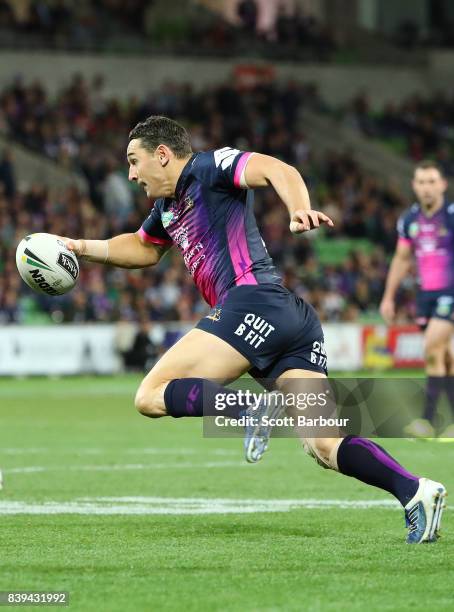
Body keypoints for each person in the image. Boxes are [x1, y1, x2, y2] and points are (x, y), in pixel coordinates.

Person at [64, 116, 445, 544]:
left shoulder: (208, 168)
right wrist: (78, 248)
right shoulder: (167, 209)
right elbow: (141, 248)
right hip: (290, 320)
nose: (131, 174)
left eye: (134, 162)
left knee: (150, 394)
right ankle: (416, 492)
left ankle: (247, 407)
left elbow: (276, 169)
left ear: (163, 155)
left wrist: (297, 206)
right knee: (324, 443)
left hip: (251, 303)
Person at [380, 160, 454, 440]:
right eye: (421, 182)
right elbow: (401, 259)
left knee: (433, 347)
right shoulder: (409, 220)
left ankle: (427, 420)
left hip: (451, 292)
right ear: (414, 185)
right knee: (445, 357)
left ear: (443, 184)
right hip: (427, 296)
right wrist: (388, 296)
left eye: (432, 181)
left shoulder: (451, 215)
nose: (426, 187)